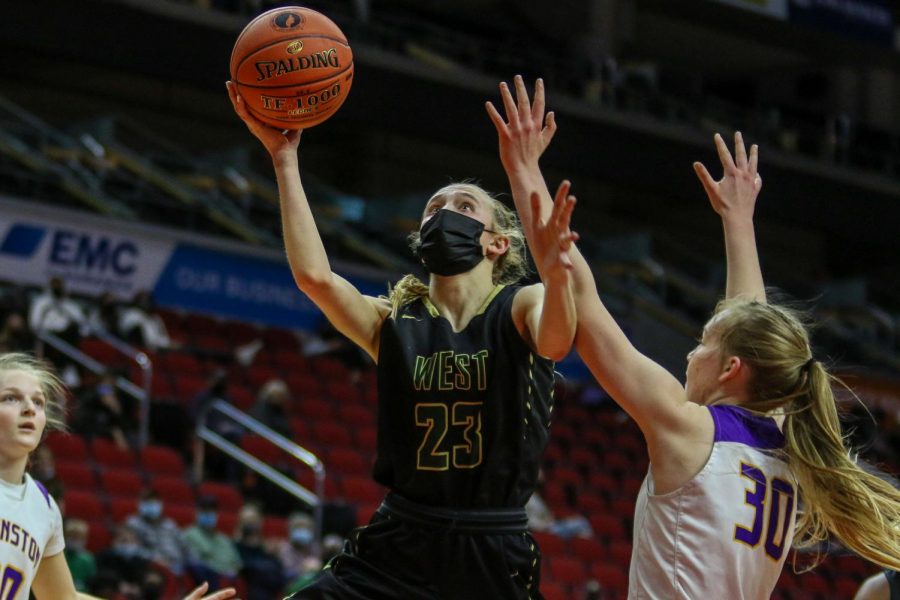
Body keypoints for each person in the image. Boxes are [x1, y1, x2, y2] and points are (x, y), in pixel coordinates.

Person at [486, 75, 900, 598]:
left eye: (704, 341)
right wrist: (738, 221)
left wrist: (522, 168)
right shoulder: (783, 446)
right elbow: (750, 320)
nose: (690, 351)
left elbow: (585, 305)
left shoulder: (688, 431)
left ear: (732, 369)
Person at [227, 77, 577, 600]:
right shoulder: (395, 320)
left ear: (498, 243)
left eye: (463, 206)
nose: (443, 214)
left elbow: (557, 341)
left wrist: (557, 270)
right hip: (402, 536)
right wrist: (283, 160)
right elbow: (315, 279)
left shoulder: (519, 305)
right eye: (434, 208)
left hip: (490, 542)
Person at [0, 351, 237, 600]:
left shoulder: (43, 506)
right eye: (11, 398)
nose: (29, 408)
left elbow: (65, 597)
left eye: (38, 402)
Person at [182, 495, 242, 590]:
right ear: (197, 513)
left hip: (225, 580)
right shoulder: (188, 535)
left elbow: (236, 564)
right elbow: (193, 561)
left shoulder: (224, 540)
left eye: (211, 512)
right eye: (204, 511)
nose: (208, 514)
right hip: (203, 581)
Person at [63, 518, 97, 592]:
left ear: (84, 540)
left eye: (77, 538)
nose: (73, 540)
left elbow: (91, 581)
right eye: (71, 537)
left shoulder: (87, 559)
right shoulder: (61, 555)